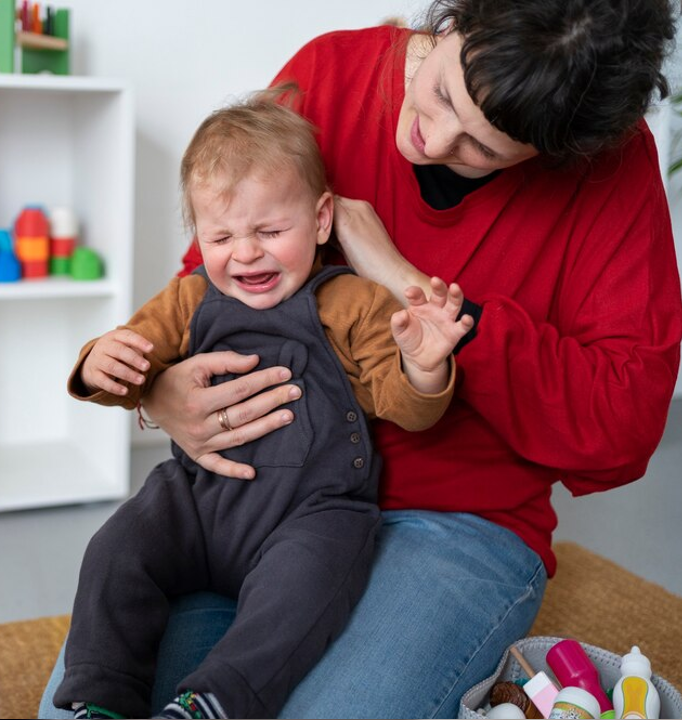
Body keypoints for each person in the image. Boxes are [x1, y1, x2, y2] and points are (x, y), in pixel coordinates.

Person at [41, 0, 682, 717]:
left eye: (485, 148)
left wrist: (408, 283)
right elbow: (206, 281)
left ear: (556, 152)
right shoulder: (330, 75)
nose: (434, 140)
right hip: (248, 498)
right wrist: (159, 394)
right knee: (88, 698)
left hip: (454, 523)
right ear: (452, 22)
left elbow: (622, 430)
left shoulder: (608, 168)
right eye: (442, 92)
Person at [54, 94, 473, 720]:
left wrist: (425, 362)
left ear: (322, 219)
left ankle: (217, 701)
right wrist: (98, 362)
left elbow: (407, 407)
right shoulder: (189, 298)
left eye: (271, 232)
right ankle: (100, 698)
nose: (245, 253)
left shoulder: (353, 303)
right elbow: (131, 364)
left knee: (302, 595)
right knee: (115, 547)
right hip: (198, 501)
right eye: (220, 235)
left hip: (310, 516)